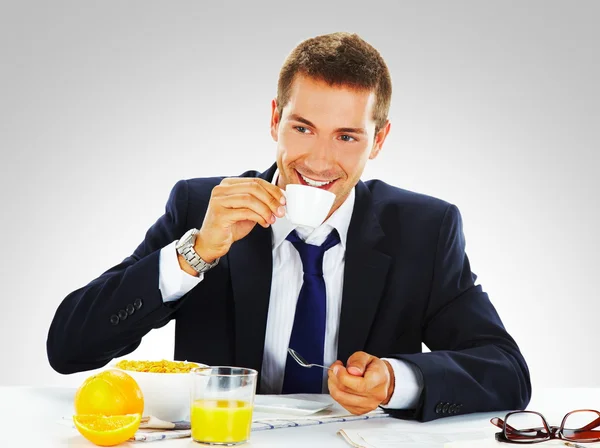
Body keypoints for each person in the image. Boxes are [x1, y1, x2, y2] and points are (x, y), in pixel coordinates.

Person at [47, 32, 531, 422]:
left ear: (378, 140)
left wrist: (397, 380)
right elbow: (68, 348)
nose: (319, 160)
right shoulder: (201, 207)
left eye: (346, 137)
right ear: (275, 118)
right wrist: (194, 253)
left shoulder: (424, 230)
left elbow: (506, 370)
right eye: (302, 128)